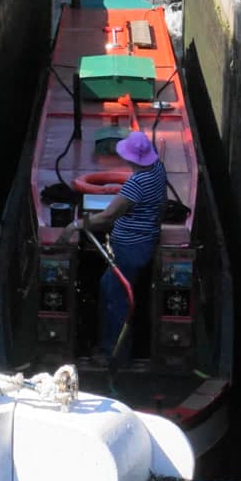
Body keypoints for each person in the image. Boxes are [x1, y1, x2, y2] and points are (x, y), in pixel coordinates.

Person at [72, 130, 166, 364]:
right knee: (110, 287)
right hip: (146, 239)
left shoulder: (136, 183)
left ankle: (113, 354)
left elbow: (107, 217)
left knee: (116, 297)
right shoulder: (158, 170)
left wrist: (75, 226)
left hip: (130, 248)